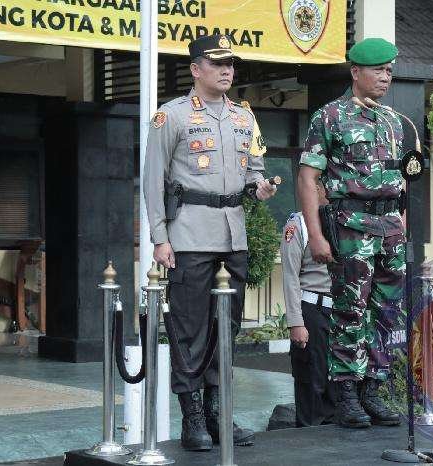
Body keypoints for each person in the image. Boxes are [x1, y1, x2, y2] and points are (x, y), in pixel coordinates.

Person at [143, 34, 277, 451]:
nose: (226, 71)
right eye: (217, 63)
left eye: (230, 64)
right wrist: (160, 238)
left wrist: (261, 187)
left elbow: (254, 171)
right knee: (190, 331)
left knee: (226, 329)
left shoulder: (244, 117)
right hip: (188, 236)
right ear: (195, 69)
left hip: (233, 236)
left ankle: (220, 412)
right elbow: (153, 180)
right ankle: (193, 418)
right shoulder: (172, 116)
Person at [297, 37, 405, 428]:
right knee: (349, 311)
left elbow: (399, 178)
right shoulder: (330, 117)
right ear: (355, 72)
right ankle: (346, 394)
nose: (385, 77)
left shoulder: (392, 121)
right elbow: (308, 178)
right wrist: (315, 234)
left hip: (390, 229)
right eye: (378, 70)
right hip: (351, 227)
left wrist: (402, 222)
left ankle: (372, 390)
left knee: (386, 312)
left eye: (389, 70)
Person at [281, 185, 337, 427]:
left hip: (340, 312)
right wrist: (296, 322)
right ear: (315, 188)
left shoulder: (343, 220)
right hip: (311, 310)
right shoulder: (298, 224)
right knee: (312, 382)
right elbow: (290, 276)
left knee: (337, 385)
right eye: (329, 184)